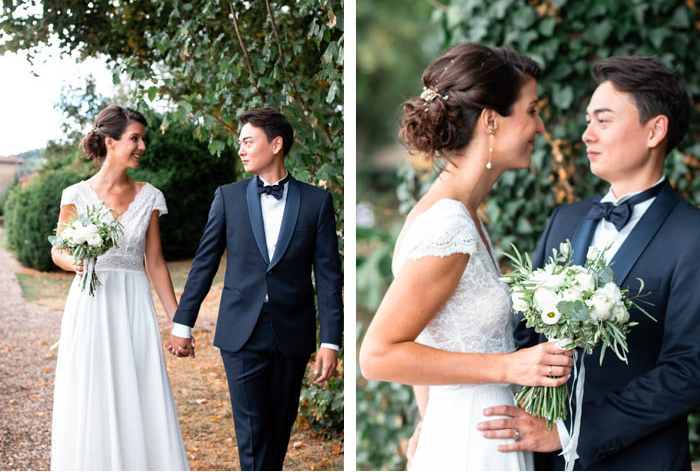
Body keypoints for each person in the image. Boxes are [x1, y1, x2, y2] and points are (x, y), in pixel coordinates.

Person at [477, 55, 700, 470]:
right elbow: (526, 335)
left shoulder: (693, 235)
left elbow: (688, 370)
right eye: (587, 121)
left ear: (655, 130)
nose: (586, 135)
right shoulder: (567, 219)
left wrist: (569, 432)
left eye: (603, 120)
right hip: (540, 459)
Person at [359, 43, 574, 471]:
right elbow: (377, 355)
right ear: (492, 121)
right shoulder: (449, 226)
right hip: (473, 441)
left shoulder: (461, 215)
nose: (539, 126)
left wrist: (430, 419)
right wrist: (510, 366)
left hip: (472, 431)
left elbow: (425, 336)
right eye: (531, 110)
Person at [165, 107, 343, 471]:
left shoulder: (316, 202)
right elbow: (204, 264)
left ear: (276, 144)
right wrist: (182, 325)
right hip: (241, 332)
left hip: (292, 332)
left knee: (279, 429)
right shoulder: (227, 197)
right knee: (251, 431)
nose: (241, 150)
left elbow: (328, 277)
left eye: (248, 142)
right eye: (240, 143)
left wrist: (331, 341)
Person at [50, 105, 189, 470]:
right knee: (91, 390)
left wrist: (179, 322)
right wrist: (71, 261)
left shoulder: (150, 196)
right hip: (91, 303)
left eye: (143, 138)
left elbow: (155, 263)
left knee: (139, 390)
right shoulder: (75, 194)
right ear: (110, 142)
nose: (142, 145)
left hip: (133, 304)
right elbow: (58, 247)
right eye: (135, 138)